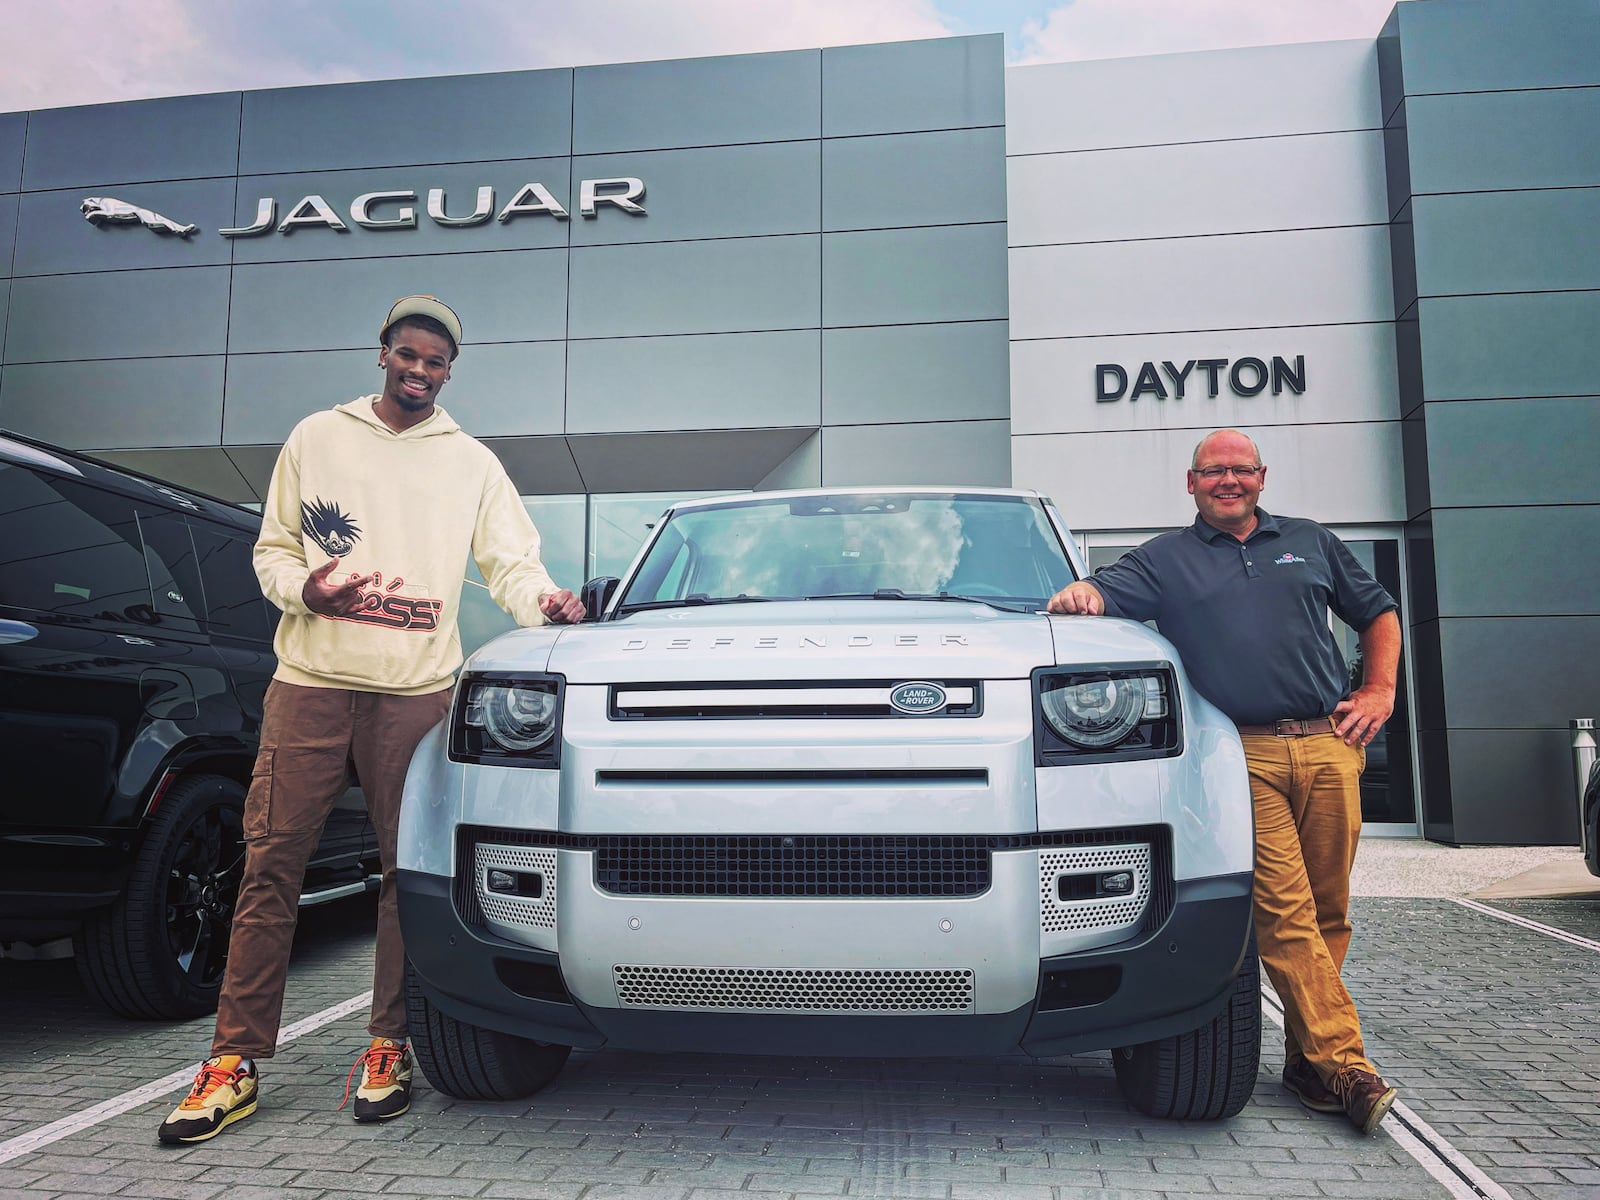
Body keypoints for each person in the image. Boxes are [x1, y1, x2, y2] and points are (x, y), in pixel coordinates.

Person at [159, 295, 584, 1144]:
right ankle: (232, 1061)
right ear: (383, 354)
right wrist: (306, 589)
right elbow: (274, 547)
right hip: (309, 682)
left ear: (449, 373)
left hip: (415, 692)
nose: (419, 371)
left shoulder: (471, 462)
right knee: (269, 866)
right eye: (408, 355)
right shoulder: (318, 437)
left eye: (436, 363)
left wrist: (546, 603)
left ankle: (386, 1045)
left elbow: (512, 562)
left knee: (403, 876)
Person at [1046, 428, 1402, 1134]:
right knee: (1285, 912)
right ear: (1192, 483)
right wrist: (1079, 593)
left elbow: (1379, 612)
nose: (1228, 481)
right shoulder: (1163, 559)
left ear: (1261, 477)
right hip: (1240, 758)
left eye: (1240, 470)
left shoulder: (1310, 541)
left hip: (1329, 747)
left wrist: (1380, 689)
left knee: (1330, 910)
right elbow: (1096, 591)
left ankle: (1306, 1063)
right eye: (1214, 472)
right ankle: (1347, 1066)